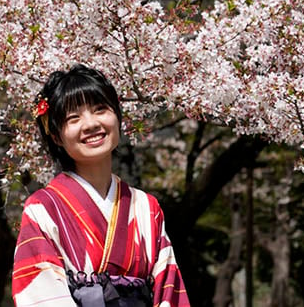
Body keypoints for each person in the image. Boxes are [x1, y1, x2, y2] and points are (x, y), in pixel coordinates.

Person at [12, 65, 190, 307]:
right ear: (56, 136)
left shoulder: (147, 207)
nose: (91, 124)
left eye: (100, 110)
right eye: (73, 118)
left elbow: (168, 290)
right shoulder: (43, 208)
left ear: (117, 116)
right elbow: (41, 296)